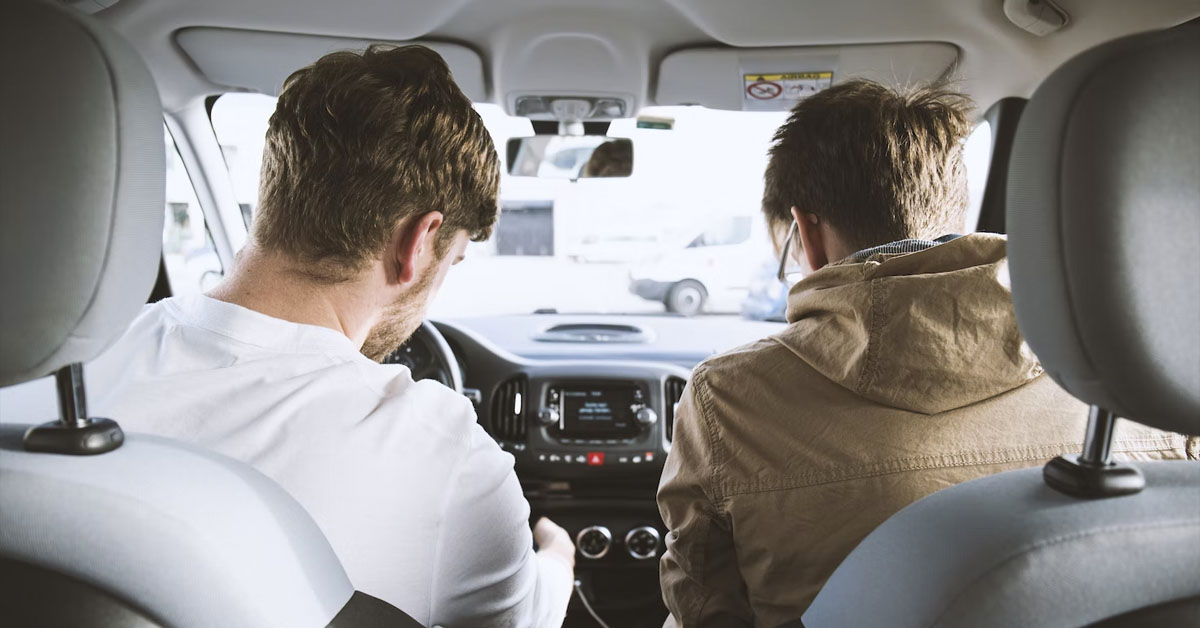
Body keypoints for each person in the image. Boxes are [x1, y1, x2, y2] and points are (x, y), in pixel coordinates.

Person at [655, 79, 1190, 627]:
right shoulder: (1147, 376)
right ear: (955, 221)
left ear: (807, 233)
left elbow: (704, 607)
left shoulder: (726, 397)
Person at [89, 45, 575, 628]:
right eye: (456, 261)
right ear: (418, 244)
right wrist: (559, 556)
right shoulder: (445, 455)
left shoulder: (60, 370)